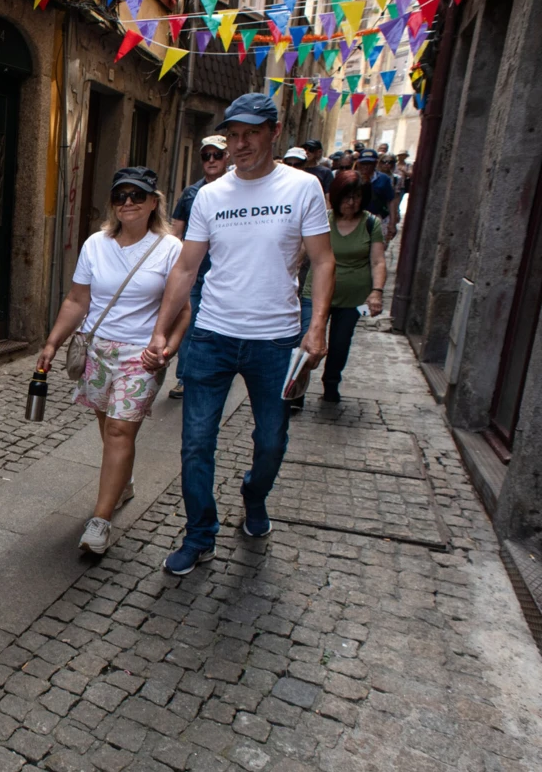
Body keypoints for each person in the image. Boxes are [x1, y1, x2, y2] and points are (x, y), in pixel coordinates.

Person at [143, 93, 335, 576]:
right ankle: (199, 534)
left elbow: (323, 260)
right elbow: (187, 267)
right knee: (195, 442)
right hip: (212, 335)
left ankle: (253, 495)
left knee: (271, 438)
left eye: (251, 133)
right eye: (233, 134)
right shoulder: (211, 195)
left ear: (275, 131)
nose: (241, 143)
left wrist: (317, 329)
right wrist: (160, 333)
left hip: (274, 341)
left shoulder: (303, 187)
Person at [37, 167, 189, 555]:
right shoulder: (95, 245)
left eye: (137, 196)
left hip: (142, 355)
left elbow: (183, 310)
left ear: (154, 202)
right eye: (120, 196)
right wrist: (53, 342)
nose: (127, 203)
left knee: (121, 432)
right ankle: (123, 484)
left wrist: (167, 349)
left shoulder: (170, 248)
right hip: (98, 350)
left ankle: (100, 522)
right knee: (109, 428)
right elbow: (77, 300)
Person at [300, 171, 387, 402]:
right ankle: (296, 388)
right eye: (346, 196)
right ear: (336, 196)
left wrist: (376, 292)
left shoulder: (371, 223)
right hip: (315, 292)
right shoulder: (322, 220)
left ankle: (331, 383)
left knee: (340, 343)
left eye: (356, 196)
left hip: (352, 298)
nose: (351, 202)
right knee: (306, 339)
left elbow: (378, 261)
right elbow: (301, 252)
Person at [168, 135, 230, 399]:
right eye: (207, 156)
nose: (212, 160)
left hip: (226, 273)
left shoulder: (236, 191)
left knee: (218, 327)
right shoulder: (192, 193)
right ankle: (185, 376)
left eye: (217, 155)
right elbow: (176, 229)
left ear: (227, 157)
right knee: (188, 323)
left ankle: (215, 374)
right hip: (195, 272)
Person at [355, 149, 396, 239]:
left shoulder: (383, 179)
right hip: (356, 218)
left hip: (378, 218)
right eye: (363, 164)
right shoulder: (354, 179)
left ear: (375, 164)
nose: (366, 167)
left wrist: (392, 223)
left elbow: (391, 200)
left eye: (369, 164)